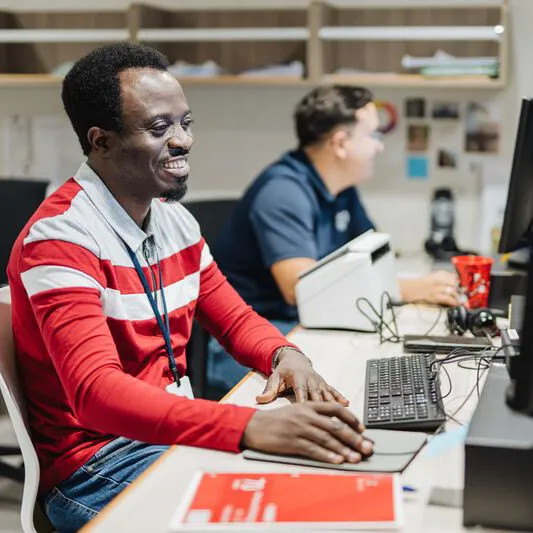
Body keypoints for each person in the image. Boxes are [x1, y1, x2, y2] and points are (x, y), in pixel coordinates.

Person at [7, 45, 373, 533]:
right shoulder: (60, 239)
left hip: (169, 439)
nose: (183, 140)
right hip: (99, 468)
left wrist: (286, 356)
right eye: (160, 129)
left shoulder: (174, 220)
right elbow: (95, 393)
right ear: (102, 142)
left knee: (325, 493)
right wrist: (247, 427)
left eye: (185, 122)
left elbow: (236, 319)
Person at [211, 85, 459, 390]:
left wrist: (405, 284)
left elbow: (375, 256)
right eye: (373, 136)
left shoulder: (341, 187)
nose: (379, 147)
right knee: (358, 384)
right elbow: (300, 288)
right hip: (258, 340)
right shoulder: (283, 192)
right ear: (340, 143)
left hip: (306, 325)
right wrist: (406, 289)